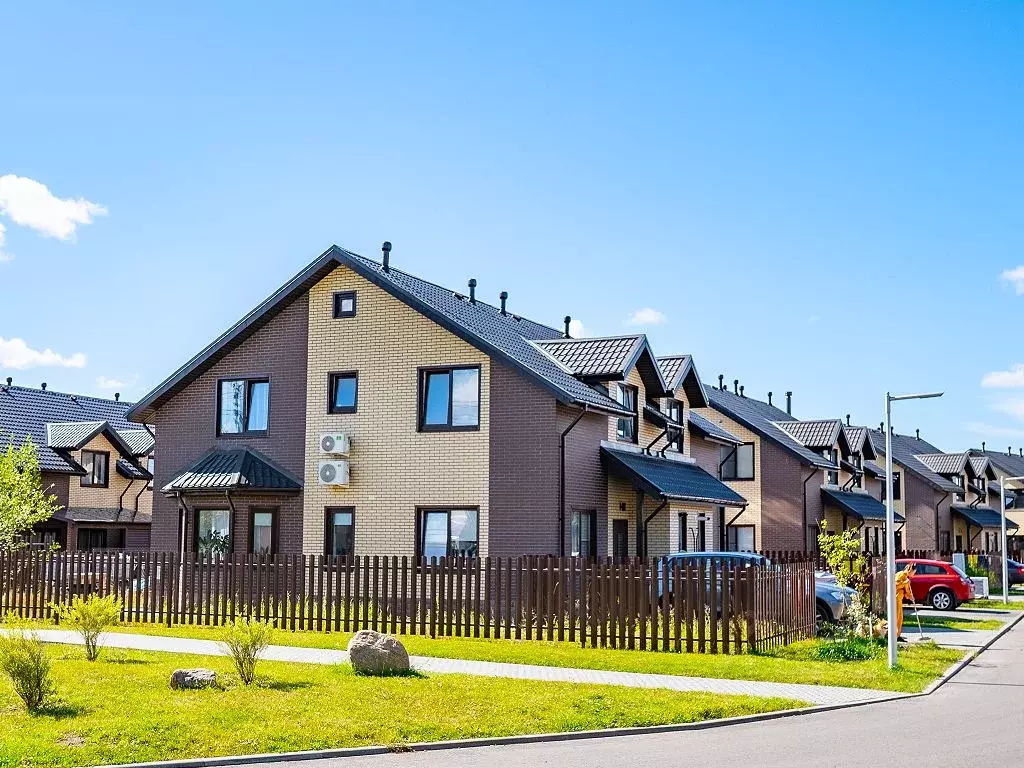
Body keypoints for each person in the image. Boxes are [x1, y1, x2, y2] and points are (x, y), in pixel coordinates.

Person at [894, 563, 916, 640]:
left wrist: (910, 596)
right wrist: (904, 583)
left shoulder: (906, 577)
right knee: (896, 618)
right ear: (909, 570)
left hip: (899, 599)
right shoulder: (900, 575)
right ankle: (893, 635)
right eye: (913, 572)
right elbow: (895, 586)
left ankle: (897, 635)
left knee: (900, 618)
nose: (914, 574)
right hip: (895, 599)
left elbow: (906, 590)